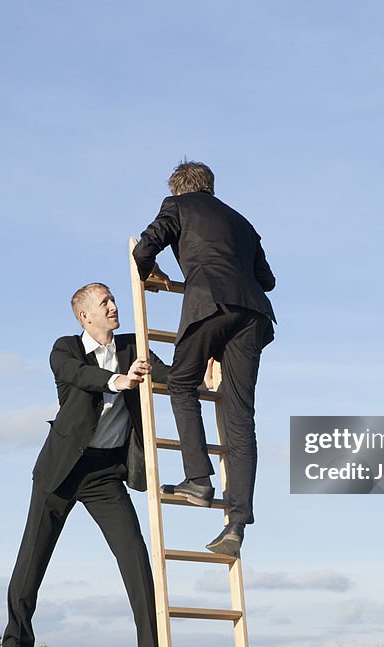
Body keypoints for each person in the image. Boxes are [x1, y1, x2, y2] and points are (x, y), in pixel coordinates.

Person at [3, 283, 168, 647]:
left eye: (113, 299)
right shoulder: (65, 349)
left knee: (135, 558)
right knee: (33, 560)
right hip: (61, 471)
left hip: (105, 474)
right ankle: (14, 646)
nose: (113, 306)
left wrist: (202, 380)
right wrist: (118, 381)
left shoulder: (130, 347)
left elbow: (166, 375)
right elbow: (79, 375)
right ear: (85, 316)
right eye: (104, 302)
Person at [132, 161, 276, 556]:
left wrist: (151, 270)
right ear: (210, 187)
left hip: (209, 303)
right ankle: (236, 522)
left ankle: (197, 478)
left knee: (180, 383)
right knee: (240, 417)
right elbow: (268, 280)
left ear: (179, 189)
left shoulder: (177, 206)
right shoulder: (243, 223)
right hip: (253, 315)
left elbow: (144, 248)